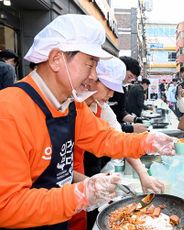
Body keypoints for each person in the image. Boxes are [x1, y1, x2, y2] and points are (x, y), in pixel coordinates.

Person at [0, 14, 174, 229]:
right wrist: (81, 194)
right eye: (89, 65)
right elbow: (6, 206)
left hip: (58, 220)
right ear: (56, 59)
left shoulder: (71, 104)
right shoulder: (8, 110)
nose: (93, 76)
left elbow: (105, 138)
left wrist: (147, 142)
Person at [70, 58, 164, 230]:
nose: (112, 95)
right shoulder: (69, 106)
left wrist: (144, 174)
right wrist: (89, 183)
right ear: (92, 79)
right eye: (108, 88)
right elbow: (58, 166)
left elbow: (119, 140)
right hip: (63, 187)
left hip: (84, 176)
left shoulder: (100, 107)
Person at [108, 56, 147, 133]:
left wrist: (135, 119)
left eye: (133, 78)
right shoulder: (104, 85)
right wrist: (129, 128)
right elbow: (102, 120)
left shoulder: (122, 88)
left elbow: (120, 111)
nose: (129, 81)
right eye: (129, 76)